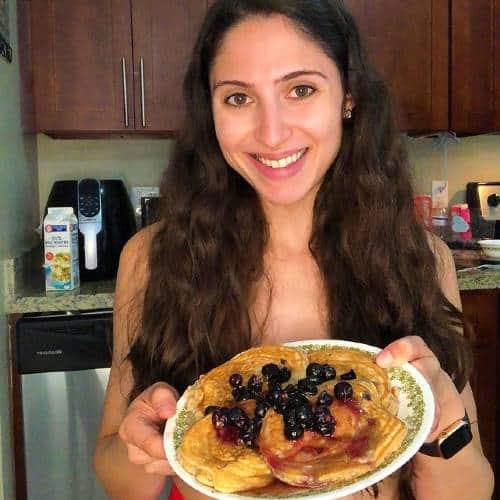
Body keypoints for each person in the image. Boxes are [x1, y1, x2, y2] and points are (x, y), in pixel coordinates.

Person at [93, 1, 494, 499]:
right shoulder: (153, 260)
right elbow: (117, 474)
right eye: (238, 98)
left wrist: (443, 418)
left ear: (347, 96)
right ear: (210, 111)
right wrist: (145, 447)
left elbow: (471, 491)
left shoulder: (420, 259)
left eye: (300, 89)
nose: (272, 132)